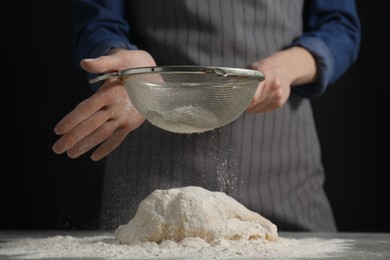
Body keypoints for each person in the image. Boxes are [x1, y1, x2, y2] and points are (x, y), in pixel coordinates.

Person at [53, 0, 361, 231]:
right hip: (153, 162)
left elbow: (340, 25)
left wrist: (289, 66)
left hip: (281, 171)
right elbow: (99, 20)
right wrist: (128, 73)